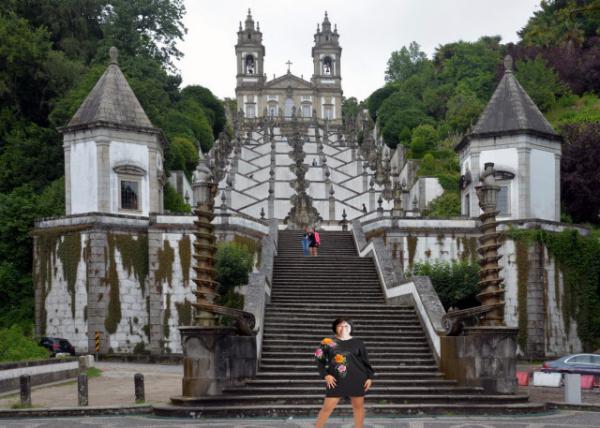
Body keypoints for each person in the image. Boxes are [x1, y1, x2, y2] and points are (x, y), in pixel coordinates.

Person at [314, 318, 374, 428]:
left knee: (358, 407)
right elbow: (319, 360)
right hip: (336, 380)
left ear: (351, 328)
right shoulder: (327, 342)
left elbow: (365, 361)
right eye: (340, 326)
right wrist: (326, 375)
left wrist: (369, 377)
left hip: (357, 379)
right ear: (335, 328)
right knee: (327, 408)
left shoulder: (358, 342)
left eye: (346, 326)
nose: (343, 328)